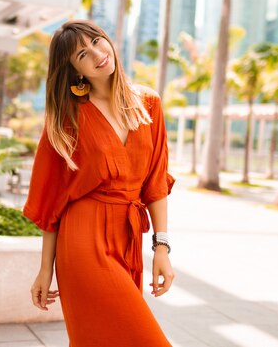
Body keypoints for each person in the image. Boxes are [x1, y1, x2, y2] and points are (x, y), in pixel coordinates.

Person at [23, 19, 175, 346]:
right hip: (83, 239)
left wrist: (161, 248)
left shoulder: (149, 103)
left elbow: (156, 184)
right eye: (82, 54)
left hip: (128, 236)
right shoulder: (67, 114)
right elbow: (51, 199)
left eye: (96, 41)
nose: (96, 53)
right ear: (75, 70)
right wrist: (44, 269)